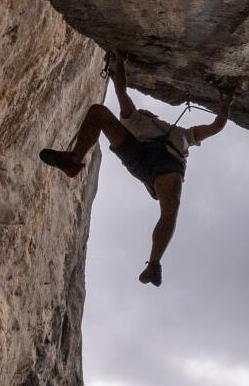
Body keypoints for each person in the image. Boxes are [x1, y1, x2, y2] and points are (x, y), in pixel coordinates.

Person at [39, 52, 233, 286]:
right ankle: (73, 161)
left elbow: (216, 126)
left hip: (155, 164)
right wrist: (119, 63)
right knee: (98, 112)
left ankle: (154, 264)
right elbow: (122, 90)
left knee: (169, 213)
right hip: (155, 162)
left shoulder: (180, 133)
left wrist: (225, 105)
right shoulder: (140, 120)